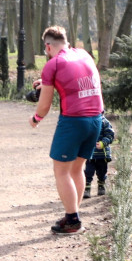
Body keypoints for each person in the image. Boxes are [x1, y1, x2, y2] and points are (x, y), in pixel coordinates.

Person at [29, 25, 104, 234]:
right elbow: (76, 81)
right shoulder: (83, 54)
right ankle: (74, 213)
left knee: (61, 171)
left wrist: (36, 118)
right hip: (95, 119)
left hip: (73, 121)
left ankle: (72, 220)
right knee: (76, 169)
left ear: (48, 46)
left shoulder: (53, 64)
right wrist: (46, 83)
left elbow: (44, 106)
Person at [83, 114, 115, 199]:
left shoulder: (104, 122)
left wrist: (103, 143)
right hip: (90, 154)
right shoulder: (87, 121)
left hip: (102, 154)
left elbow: (110, 135)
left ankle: (101, 185)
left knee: (102, 171)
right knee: (88, 172)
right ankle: (87, 188)